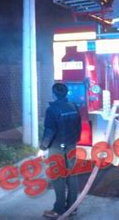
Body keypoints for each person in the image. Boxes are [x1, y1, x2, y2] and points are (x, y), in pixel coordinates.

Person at [39, 83, 81, 219]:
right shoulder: (74, 107)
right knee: (71, 175)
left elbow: (49, 131)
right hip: (71, 146)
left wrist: (43, 148)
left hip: (57, 146)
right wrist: (73, 141)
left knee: (58, 177)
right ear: (66, 93)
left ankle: (58, 209)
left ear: (53, 93)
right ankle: (72, 208)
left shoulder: (52, 109)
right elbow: (78, 128)